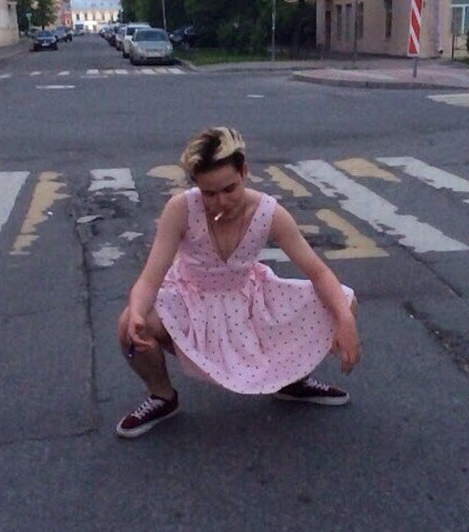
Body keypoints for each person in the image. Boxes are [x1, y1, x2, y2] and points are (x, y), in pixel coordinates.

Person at [115, 127, 360, 438]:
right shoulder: (180, 209)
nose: (221, 202)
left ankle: (292, 380)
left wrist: (345, 322)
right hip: (192, 298)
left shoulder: (269, 212)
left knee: (343, 301)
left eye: (229, 189)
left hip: (247, 299)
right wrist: (137, 312)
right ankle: (162, 396)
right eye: (209, 193)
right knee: (130, 323)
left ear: (243, 172)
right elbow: (149, 280)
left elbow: (319, 273)